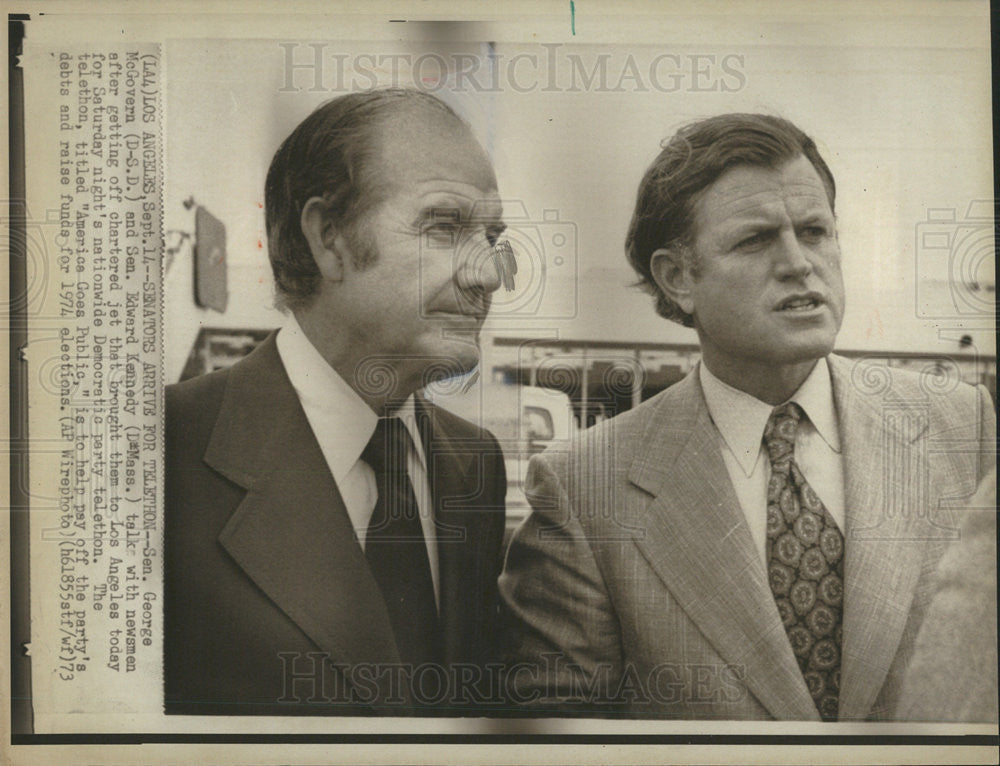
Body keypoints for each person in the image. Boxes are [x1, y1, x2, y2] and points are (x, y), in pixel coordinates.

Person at [499, 113, 996, 721]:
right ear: (678, 278)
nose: (798, 263)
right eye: (755, 240)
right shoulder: (584, 486)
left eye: (814, 231)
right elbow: (562, 740)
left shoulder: (959, 426)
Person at [165, 89, 509, 716]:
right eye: (445, 227)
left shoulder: (474, 462)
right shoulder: (158, 451)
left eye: (491, 235)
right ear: (331, 239)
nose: (489, 273)